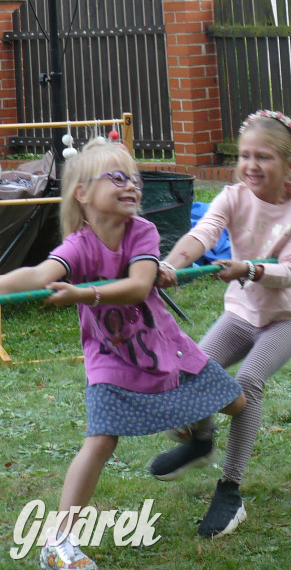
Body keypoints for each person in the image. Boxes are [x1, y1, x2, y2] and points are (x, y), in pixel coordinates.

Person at [0, 139, 244, 570]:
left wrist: (84, 294)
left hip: (165, 348)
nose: (131, 185)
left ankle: (194, 434)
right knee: (101, 441)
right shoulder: (79, 245)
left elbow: (138, 286)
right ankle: (59, 542)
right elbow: (39, 274)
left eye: (133, 178)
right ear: (82, 193)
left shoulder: (142, 231)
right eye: (116, 178)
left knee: (236, 403)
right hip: (110, 359)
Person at [150, 110, 291, 536]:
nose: (251, 165)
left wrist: (251, 269)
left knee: (247, 382)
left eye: (263, 157)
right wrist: (170, 264)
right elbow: (202, 234)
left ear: (289, 164)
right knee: (195, 368)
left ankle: (230, 490)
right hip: (242, 314)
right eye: (245, 156)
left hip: (287, 318)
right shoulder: (233, 196)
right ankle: (201, 440)